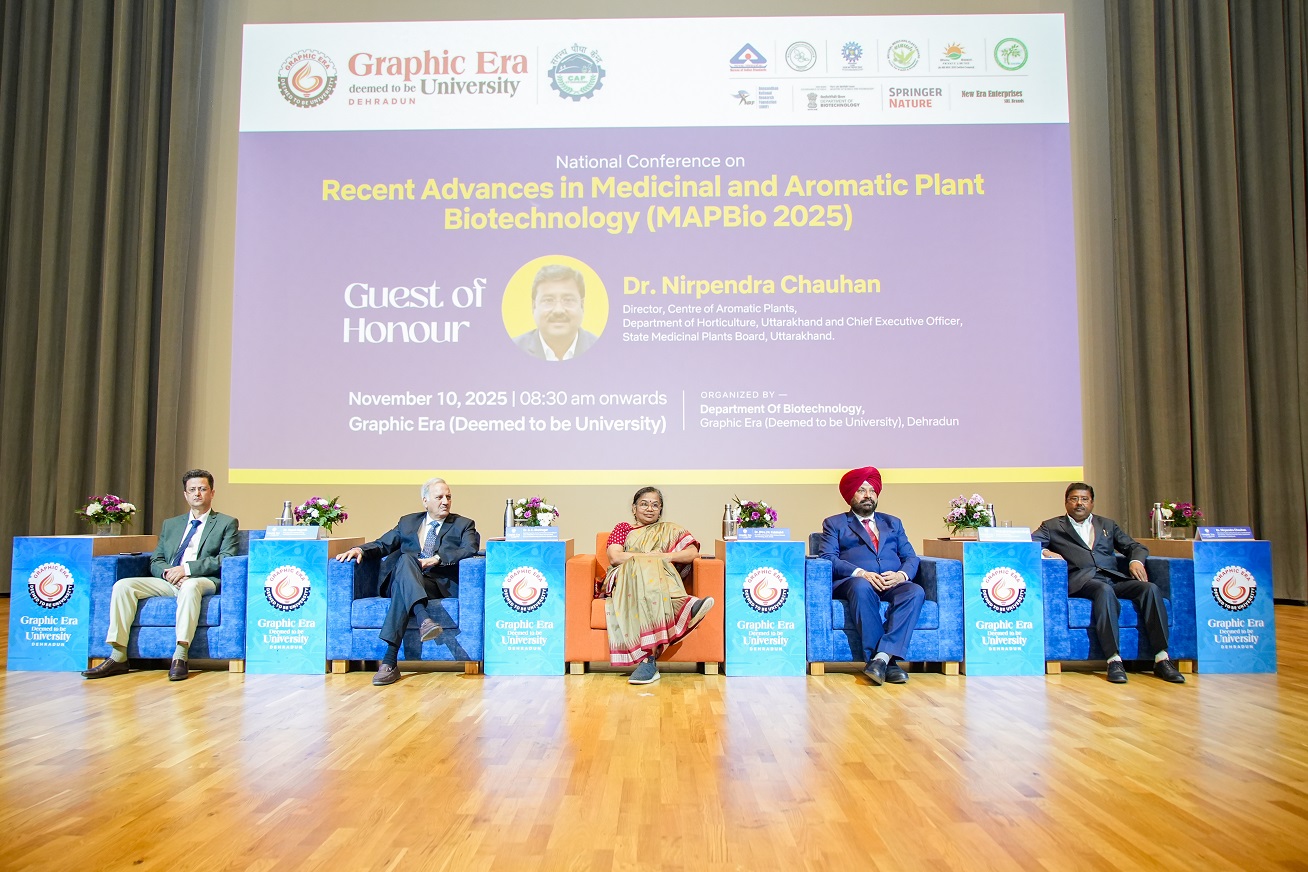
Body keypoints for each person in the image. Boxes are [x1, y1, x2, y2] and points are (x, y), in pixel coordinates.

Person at [82, 468, 240, 682]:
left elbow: (226, 558)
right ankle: (118, 656)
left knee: (190, 586)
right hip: (170, 580)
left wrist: (187, 570)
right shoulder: (171, 524)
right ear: (185, 494)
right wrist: (169, 573)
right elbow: (156, 559)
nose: (197, 494)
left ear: (212, 493)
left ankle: (180, 656)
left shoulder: (226, 523)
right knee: (123, 586)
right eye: (192, 489)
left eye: (202, 489)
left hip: (203, 580)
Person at [1033, 482, 1185, 684]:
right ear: (1066, 502)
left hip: (1113, 578)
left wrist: (1135, 561)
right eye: (1074, 499)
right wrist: (1046, 552)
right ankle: (1114, 660)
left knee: (1149, 589)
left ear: (1092, 503)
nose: (1079, 503)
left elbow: (1135, 547)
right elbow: (1030, 544)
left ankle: (1161, 658)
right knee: (1104, 591)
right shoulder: (1052, 526)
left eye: (1084, 499)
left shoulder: (1107, 525)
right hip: (1082, 582)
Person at [335, 477, 479, 686]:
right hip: (404, 576)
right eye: (439, 497)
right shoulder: (408, 522)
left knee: (403, 585)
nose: (445, 502)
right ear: (425, 501)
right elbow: (383, 544)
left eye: (448, 497)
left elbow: (470, 549)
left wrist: (437, 559)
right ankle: (423, 619)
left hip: (434, 584)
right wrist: (360, 550)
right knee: (405, 560)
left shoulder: (463, 524)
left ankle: (389, 661)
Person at [819, 467, 925, 687]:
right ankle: (886, 663)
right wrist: (861, 573)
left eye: (872, 491)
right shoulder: (835, 523)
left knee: (915, 591)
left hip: (891, 582)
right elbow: (828, 557)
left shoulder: (893, 523)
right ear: (850, 495)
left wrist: (901, 575)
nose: (868, 495)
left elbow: (910, 557)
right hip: (855, 582)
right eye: (861, 490)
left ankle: (881, 660)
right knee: (861, 587)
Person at [602, 487, 714, 684]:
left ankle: (649, 661)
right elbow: (615, 557)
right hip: (624, 577)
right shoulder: (623, 529)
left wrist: (663, 557)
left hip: (657, 581)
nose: (649, 508)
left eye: (655, 505)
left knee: (653, 569)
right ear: (634, 508)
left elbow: (692, 553)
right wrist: (648, 559)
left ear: (660, 510)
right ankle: (682, 606)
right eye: (644, 504)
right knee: (648, 566)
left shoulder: (669, 530)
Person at [513, 264, 600, 361]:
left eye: (568, 300)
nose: (558, 310)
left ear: (582, 305)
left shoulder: (602, 349)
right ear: (534, 306)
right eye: (548, 300)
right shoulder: (512, 350)